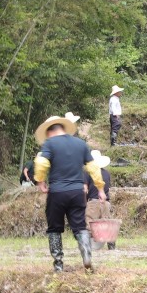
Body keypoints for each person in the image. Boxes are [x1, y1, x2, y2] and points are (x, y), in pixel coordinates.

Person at [33, 115, 106, 273]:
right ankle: (86, 253)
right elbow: (93, 167)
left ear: (49, 131)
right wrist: (100, 189)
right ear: (63, 128)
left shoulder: (50, 143)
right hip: (77, 192)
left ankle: (58, 264)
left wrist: (40, 181)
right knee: (80, 226)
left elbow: (41, 162)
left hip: (57, 192)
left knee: (54, 228)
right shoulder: (80, 143)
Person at [85, 150, 115, 250]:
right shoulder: (107, 174)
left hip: (93, 202)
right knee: (107, 225)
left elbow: (85, 189)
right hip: (106, 203)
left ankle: (89, 247)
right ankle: (111, 245)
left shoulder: (88, 173)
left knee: (89, 224)